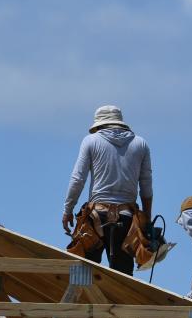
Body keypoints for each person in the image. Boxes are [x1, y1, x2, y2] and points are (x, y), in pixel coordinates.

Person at [62, 105, 153, 275]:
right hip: (127, 220)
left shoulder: (91, 141)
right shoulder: (140, 144)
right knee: (123, 277)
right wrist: (146, 219)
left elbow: (77, 179)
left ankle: (86, 300)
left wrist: (68, 210)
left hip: (96, 217)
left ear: (99, 125)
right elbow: (146, 185)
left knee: (84, 272)